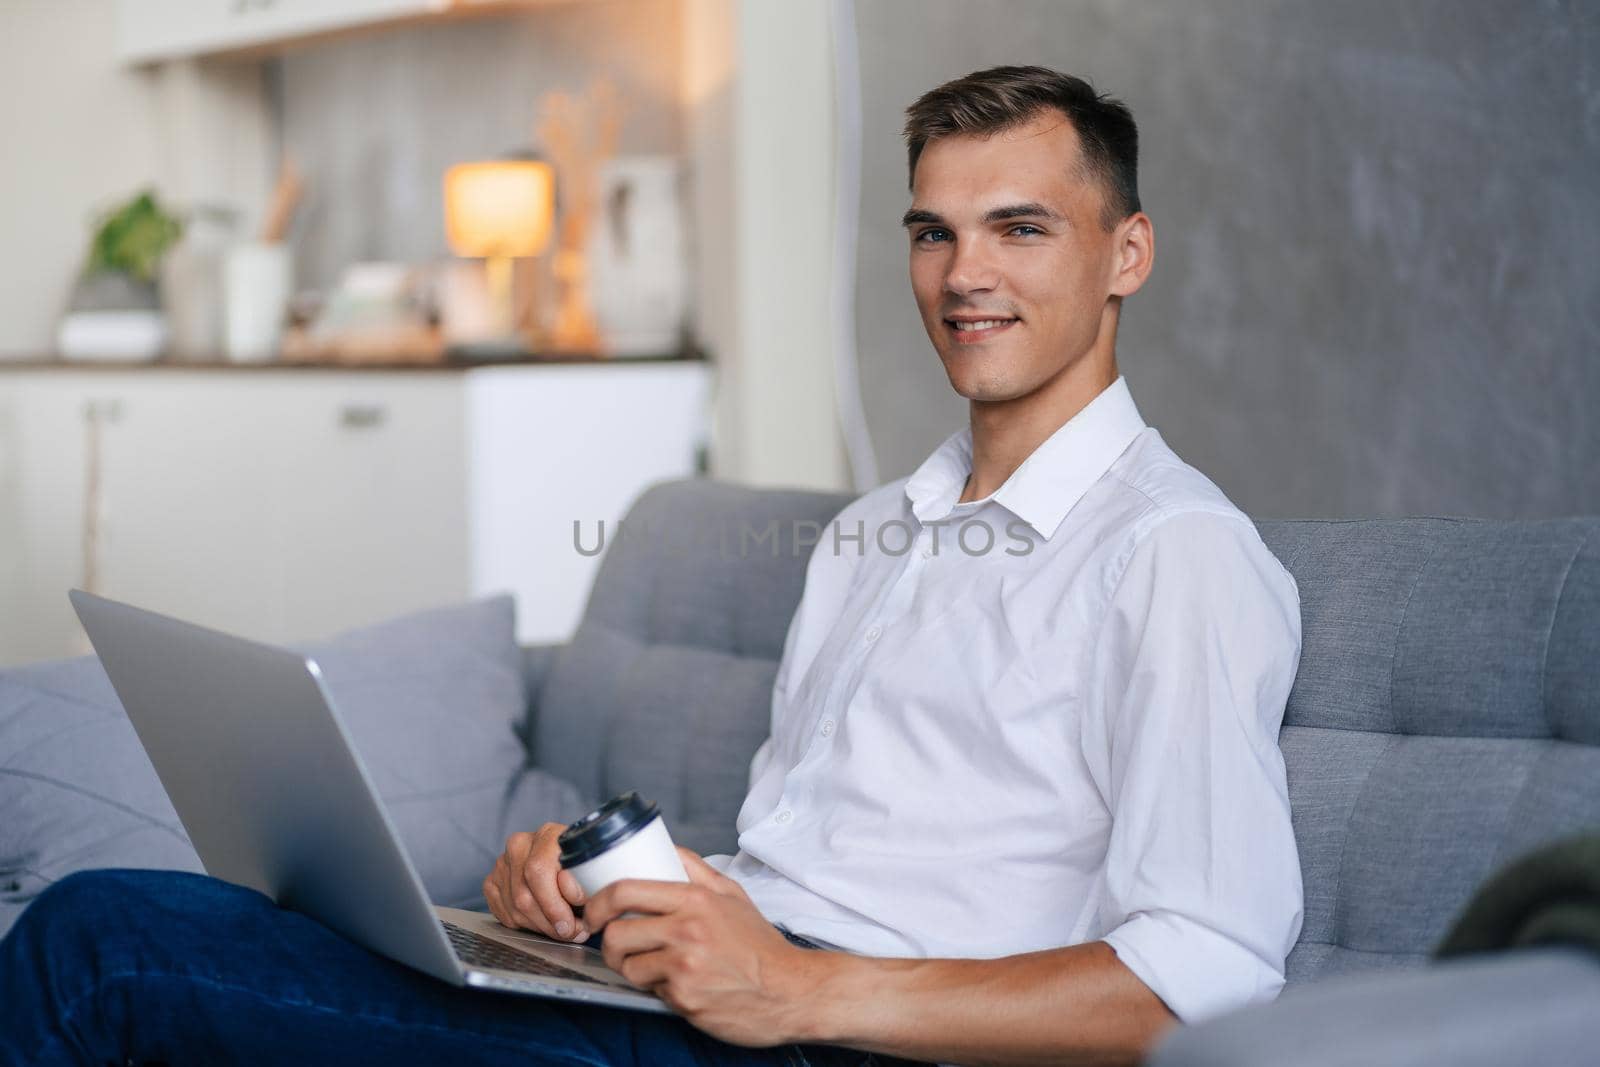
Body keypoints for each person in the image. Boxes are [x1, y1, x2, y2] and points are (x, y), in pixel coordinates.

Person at [0, 66, 1303, 1067]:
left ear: (1126, 253)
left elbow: (1212, 970)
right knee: (179, 917)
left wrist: (801, 988)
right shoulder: (870, 538)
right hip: (702, 1011)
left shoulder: (1173, 557)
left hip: (839, 1044)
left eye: (1020, 229)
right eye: (932, 233)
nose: (964, 275)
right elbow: (819, 861)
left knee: (98, 946)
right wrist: (605, 891)